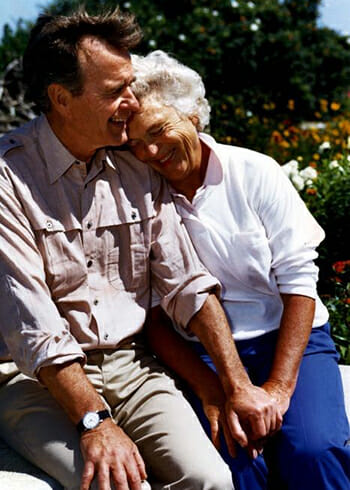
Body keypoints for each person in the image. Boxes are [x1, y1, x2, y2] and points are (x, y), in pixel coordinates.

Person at [0, 10, 250, 490]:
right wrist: (96, 422)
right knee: (114, 486)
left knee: (212, 480)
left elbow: (188, 284)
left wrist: (232, 384)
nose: (132, 103)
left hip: (132, 366)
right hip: (34, 381)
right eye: (115, 92)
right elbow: (31, 321)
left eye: (129, 85)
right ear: (60, 99)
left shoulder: (137, 168)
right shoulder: (8, 177)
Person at [127, 50, 350, 490]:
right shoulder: (140, 198)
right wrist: (215, 388)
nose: (150, 151)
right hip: (201, 354)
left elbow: (300, 283)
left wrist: (279, 392)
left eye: (157, 130)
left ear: (192, 116)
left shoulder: (255, 172)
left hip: (290, 343)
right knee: (234, 460)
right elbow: (150, 318)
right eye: (134, 143)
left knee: (315, 449)